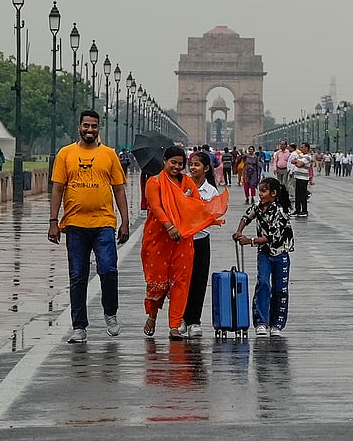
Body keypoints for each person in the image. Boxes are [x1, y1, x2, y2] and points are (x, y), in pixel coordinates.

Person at [48, 110, 130, 344]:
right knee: (77, 276)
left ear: (99, 128)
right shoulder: (66, 154)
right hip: (74, 225)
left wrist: (124, 221)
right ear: (79, 127)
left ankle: (110, 313)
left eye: (94, 126)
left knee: (108, 271)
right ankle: (79, 326)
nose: (90, 130)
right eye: (86, 125)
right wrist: (53, 221)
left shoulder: (109, 154)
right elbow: (57, 189)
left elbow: (119, 189)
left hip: (104, 223)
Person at [141, 146, 227, 340]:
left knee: (181, 282)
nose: (177, 167)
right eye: (174, 163)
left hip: (183, 240)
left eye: (181, 164)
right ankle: (152, 315)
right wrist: (170, 227)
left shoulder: (187, 182)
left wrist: (208, 216)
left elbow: (197, 206)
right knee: (158, 283)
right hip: (159, 239)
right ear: (165, 161)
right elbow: (155, 207)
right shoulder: (154, 182)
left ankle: (174, 325)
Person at [233, 176, 294, 337]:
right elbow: (246, 217)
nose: (260, 194)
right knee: (263, 283)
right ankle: (261, 322)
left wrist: (250, 241)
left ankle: (277, 324)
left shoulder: (280, 211)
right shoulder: (259, 207)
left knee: (280, 289)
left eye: (263, 191)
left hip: (280, 254)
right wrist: (239, 231)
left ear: (273, 193)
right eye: (260, 190)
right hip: (264, 253)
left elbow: (274, 236)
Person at [180, 151, 220, 338]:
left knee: (199, 281)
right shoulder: (181, 186)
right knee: (182, 281)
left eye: (197, 165)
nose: (193, 167)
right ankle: (181, 319)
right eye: (191, 164)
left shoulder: (211, 191)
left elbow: (214, 214)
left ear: (206, 168)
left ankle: (194, 321)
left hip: (201, 240)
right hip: (183, 240)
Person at [290, 142, 311, 218]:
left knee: (302, 195)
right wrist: (297, 162)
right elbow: (292, 161)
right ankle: (297, 210)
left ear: (306, 148)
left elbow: (299, 165)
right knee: (297, 195)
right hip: (297, 177)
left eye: (302, 147)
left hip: (303, 178)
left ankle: (304, 211)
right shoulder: (301, 155)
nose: (301, 148)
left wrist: (297, 162)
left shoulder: (308, 157)